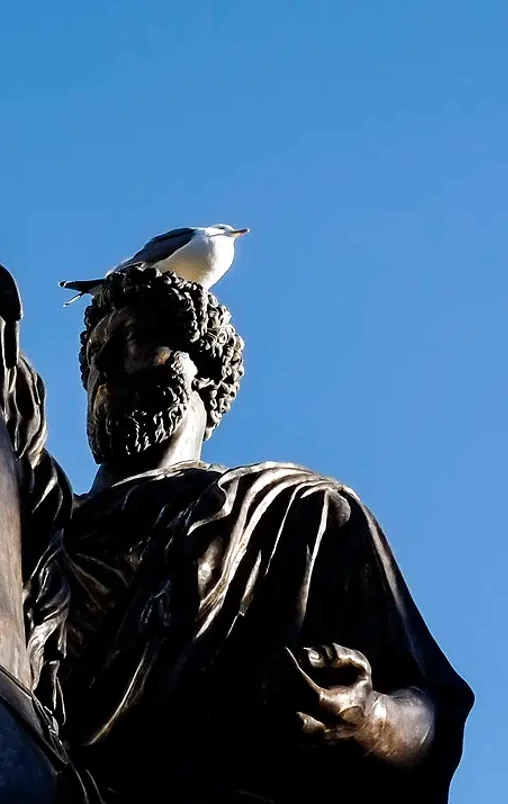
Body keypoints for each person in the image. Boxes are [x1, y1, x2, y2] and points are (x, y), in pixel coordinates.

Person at [58, 263, 472, 803]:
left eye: (134, 340)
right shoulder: (35, 524)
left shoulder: (303, 515)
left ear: (200, 372)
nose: (104, 367)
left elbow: (433, 715)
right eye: (92, 358)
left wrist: (371, 717)